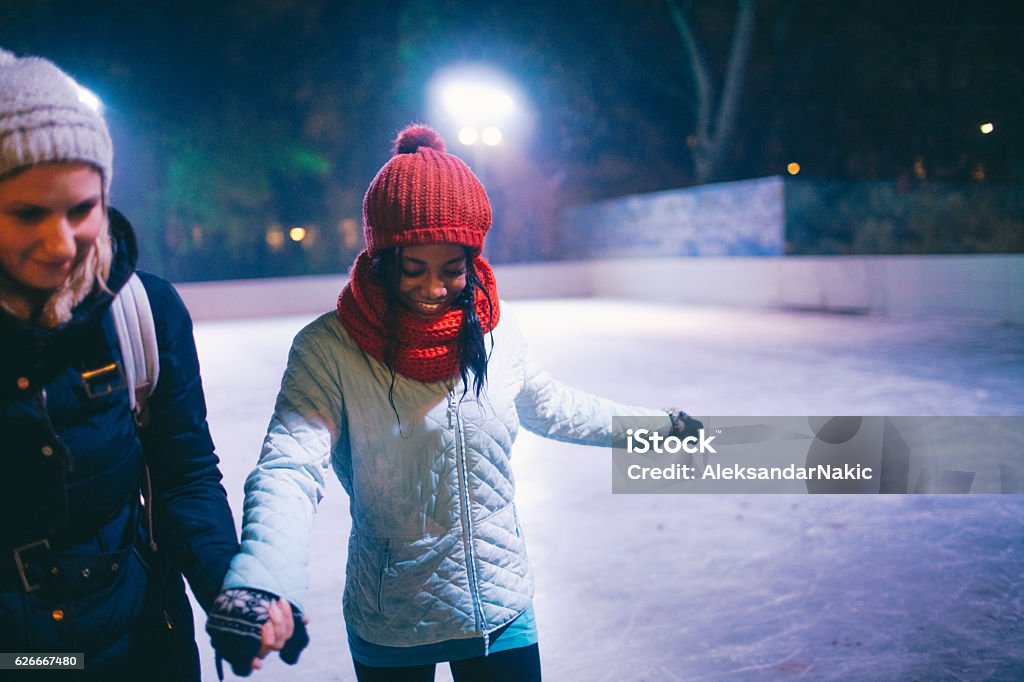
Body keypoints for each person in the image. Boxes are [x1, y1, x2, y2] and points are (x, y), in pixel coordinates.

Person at [206, 124, 698, 681]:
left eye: (450, 270)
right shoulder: (329, 349)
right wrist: (263, 578)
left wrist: (655, 426)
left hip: (500, 606)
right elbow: (289, 466)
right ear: (382, 258)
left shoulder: (495, 330)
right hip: (392, 616)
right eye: (413, 269)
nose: (433, 289)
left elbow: (550, 404)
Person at [0, 48, 248, 680]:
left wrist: (232, 591)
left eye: (81, 209)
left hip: (142, 646)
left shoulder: (143, 311)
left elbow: (184, 476)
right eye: (28, 213)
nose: (61, 243)